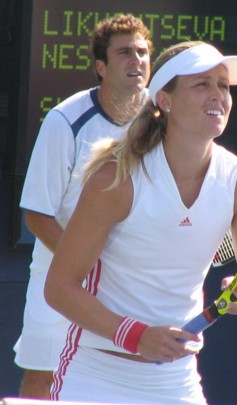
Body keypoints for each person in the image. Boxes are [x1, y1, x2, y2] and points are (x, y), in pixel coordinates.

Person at [44, 40, 237, 404]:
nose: (217, 94)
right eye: (201, 84)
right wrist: (135, 335)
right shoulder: (116, 180)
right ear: (165, 101)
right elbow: (59, 288)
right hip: (95, 374)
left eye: (223, 85)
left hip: (176, 381)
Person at [14, 14, 153, 399]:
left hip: (129, 283)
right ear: (101, 67)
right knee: (43, 380)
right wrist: (81, 264)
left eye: (142, 52)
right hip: (59, 276)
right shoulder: (65, 121)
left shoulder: (163, 121)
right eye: (125, 53)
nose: (137, 61)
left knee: (125, 384)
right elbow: (37, 215)